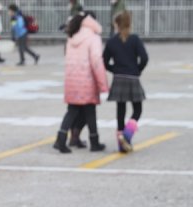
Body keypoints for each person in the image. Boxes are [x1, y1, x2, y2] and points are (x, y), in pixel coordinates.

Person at [53, 13, 108, 153]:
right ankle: (94, 142)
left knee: (72, 111)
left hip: (72, 80)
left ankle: (61, 139)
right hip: (87, 80)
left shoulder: (71, 37)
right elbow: (96, 61)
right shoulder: (94, 38)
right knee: (90, 112)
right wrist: (103, 84)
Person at [103, 10, 148, 153]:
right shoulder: (134, 39)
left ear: (117, 24)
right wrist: (137, 69)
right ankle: (127, 135)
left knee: (120, 110)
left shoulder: (111, 41)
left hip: (118, 78)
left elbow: (104, 61)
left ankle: (120, 142)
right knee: (138, 109)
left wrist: (114, 69)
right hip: (133, 77)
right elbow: (144, 58)